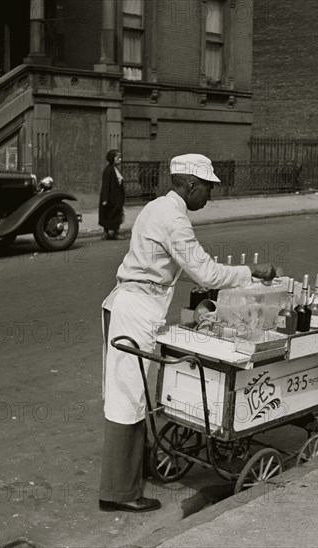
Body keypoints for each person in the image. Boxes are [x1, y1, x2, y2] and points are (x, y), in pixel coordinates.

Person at [99, 153, 276, 513]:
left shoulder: (158, 207)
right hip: (136, 307)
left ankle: (132, 473)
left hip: (128, 302)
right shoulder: (174, 220)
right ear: (191, 185)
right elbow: (207, 275)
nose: (209, 197)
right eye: (208, 188)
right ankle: (119, 493)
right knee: (128, 399)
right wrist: (252, 271)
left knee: (132, 396)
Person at [99, 149, 125, 240]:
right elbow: (106, 185)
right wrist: (105, 199)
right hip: (111, 198)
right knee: (110, 215)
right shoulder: (108, 170)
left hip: (116, 197)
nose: (120, 159)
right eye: (118, 158)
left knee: (115, 215)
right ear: (112, 159)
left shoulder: (115, 169)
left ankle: (112, 232)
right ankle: (110, 233)